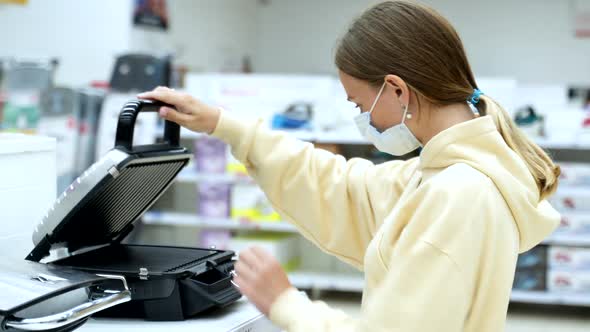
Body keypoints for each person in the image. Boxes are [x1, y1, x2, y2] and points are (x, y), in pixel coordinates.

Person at [138, 1, 561, 331]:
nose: (364, 122)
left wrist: (285, 302)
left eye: (360, 104)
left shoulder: (457, 196)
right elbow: (345, 186)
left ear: (397, 89)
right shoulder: (448, 174)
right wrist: (223, 125)